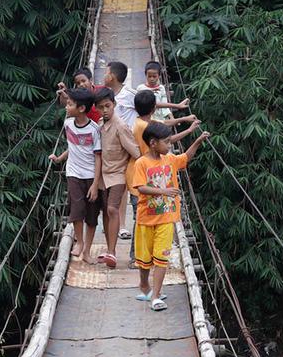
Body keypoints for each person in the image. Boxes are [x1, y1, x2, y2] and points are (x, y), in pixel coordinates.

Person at [131, 122, 211, 310]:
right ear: (153, 143)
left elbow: (185, 158)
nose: (170, 145)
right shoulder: (141, 163)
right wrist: (164, 191)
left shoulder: (170, 159)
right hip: (146, 218)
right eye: (166, 142)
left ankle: (156, 296)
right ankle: (144, 285)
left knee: (161, 258)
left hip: (166, 218)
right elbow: (140, 187)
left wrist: (198, 141)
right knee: (144, 258)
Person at [125, 89, 199, 267]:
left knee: (144, 217)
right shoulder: (146, 129)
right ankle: (136, 257)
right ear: (153, 108)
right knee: (140, 219)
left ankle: (144, 257)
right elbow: (169, 139)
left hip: (146, 175)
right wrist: (189, 130)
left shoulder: (141, 122)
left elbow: (165, 128)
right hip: (144, 176)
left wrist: (183, 120)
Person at [49, 87, 101, 262]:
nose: (66, 107)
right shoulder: (68, 124)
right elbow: (72, 148)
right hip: (73, 173)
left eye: (70, 104)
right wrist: (59, 159)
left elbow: (98, 157)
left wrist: (95, 184)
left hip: (90, 175)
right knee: (77, 209)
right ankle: (79, 242)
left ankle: (87, 250)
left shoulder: (94, 130)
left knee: (92, 214)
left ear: (81, 108)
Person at [93, 87, 140, 269]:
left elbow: (135, 152)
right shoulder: (100, 125)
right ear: (96, 108)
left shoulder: (120, 126)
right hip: (104, 176)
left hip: (119, 175)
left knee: (112, 209)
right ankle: (109, 250)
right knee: (105, 211)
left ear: (114, 104)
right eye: (101, 107)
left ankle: (112, 252)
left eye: (107, 106)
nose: (105, 110)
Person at [102, 60, 139, 127]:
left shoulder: (130, 94)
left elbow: (148, 104)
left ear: (111, 77)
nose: (104, 76)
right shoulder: (107, 95)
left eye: (105, 73)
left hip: (128, 135)